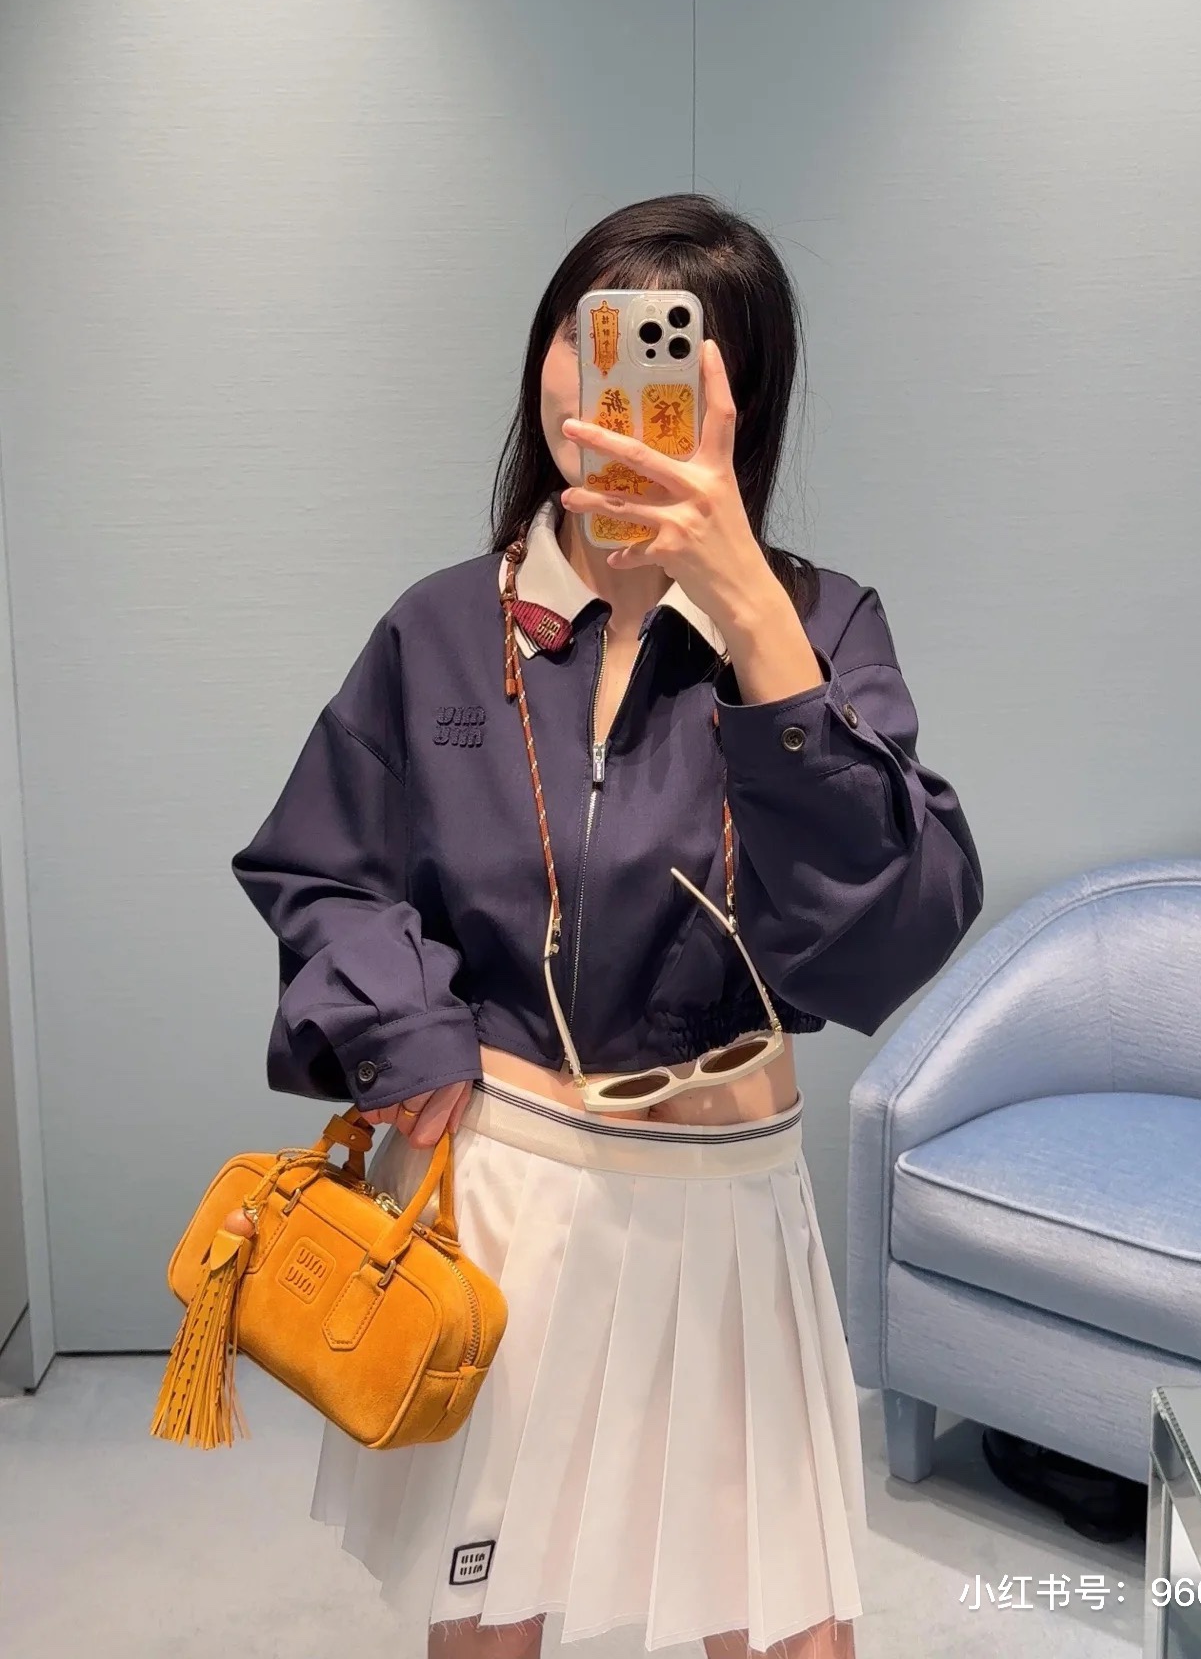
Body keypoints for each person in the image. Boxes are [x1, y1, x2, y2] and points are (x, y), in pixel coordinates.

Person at [230, 192, 983, 1657]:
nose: (616, 382)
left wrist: (748, 612)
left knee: (785, 1627)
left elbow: (895, 923)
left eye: (671, 350)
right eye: (591, 336)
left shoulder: (818, 627)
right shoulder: (444, 628)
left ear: (736, 397)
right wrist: (402, 1025)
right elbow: (322, 864)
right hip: (501, 1194)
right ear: (545, 361)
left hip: (728, 1208)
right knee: (489, 1614)